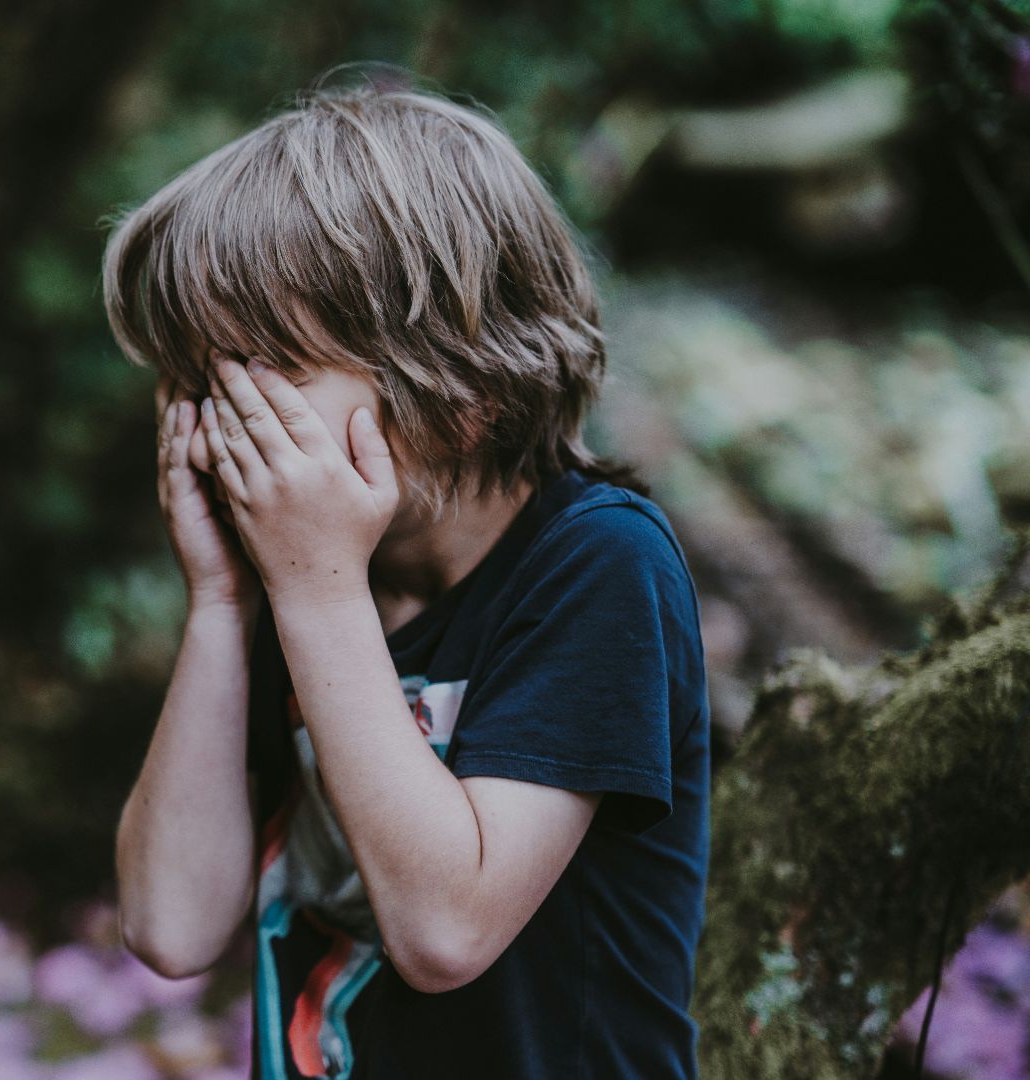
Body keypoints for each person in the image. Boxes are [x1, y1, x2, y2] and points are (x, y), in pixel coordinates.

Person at [103, 69, 712, 1080]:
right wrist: (221, 602)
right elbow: (170, 924)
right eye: (206, 378)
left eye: (271, 373)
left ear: (462, 387)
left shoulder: (598, 565)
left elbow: (445, 932)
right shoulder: (304, 573)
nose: (227, 421)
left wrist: (315, 589)